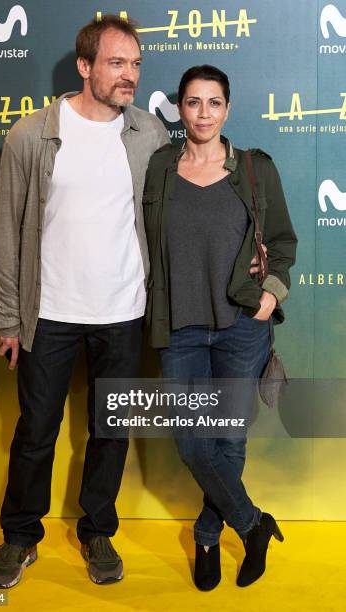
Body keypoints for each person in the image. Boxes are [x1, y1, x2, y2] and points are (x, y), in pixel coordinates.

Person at [0, 15, 171, 588]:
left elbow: (171, 220)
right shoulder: (30, 133)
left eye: (136, 64)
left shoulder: (150, 135)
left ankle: (97, 530)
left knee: (111, 431)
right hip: (51, 313)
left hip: (122, 313)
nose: (130, 75)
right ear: (85, 66)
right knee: (36, 429)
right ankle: (20, 537)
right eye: (117, 63)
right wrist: (8, 316)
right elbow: (6, 231)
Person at [143, 65, 297, 590]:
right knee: (192, 443)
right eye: (192, 102)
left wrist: (268, 297)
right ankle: (254, 524)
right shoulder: (160, 167)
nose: (203, 113)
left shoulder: (254, 169)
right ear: (179, 109)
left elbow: (282, 243)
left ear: (227, 109)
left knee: (228, 440)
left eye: (213, 103)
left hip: (240, 326)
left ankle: (208, 536)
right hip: (181, 325)